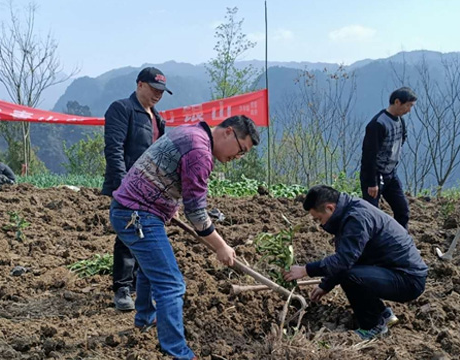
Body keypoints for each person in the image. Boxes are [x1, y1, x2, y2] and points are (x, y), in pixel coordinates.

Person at [109, 115, 259, 359]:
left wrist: (169, 201)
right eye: (241, 150)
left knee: (150, 270)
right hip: (137, 214)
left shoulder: (192, 132)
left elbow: (169, 171)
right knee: (171, 284)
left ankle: (145, 319)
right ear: (228, 132)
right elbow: (197, 214)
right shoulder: (200, 151)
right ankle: (178, 352)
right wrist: (222, 247)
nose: (237, 157)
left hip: (132, 208)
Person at [283, 185, 428, 340]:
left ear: (330, 208)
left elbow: (344, 262)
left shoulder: (356, 218)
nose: (320, 224)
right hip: (391, 271)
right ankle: (382, 314)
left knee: (350, 276)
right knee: (349, 271)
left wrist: (306, 270)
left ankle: (373, 326)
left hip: (408, 279)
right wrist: (326, 285)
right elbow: (348, 257)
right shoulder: (347, 212)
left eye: (319, 218)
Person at [102, 67, 171, 311]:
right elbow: (114, 149)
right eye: (154, 89)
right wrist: (123, 186)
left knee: (147, 234)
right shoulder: (122, 109)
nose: (157, 95)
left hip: (151, 189)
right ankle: (122, 287)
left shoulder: (158, 118)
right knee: (129, 233)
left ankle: (140, 285)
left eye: (161, 91)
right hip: (128, 187)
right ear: (140, 84)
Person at [360, 87, 417, 230]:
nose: (409, 110)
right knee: (372, 216)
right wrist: (372, 182)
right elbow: (369, 155)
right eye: (408, 105)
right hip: (374, 176)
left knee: (402, 211)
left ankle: (400, 245)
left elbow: (402, 139)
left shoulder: (400, 121)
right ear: (397, 102)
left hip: (391, 174)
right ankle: (372, 249)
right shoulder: (378, 124)